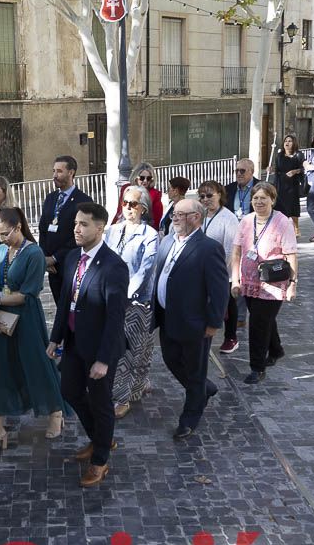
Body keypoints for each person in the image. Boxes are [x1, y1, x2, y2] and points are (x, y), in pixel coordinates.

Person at [46, 203, 128, 488]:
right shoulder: (71, 258)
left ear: (99, 228)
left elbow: (116, 318)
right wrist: (55, 338)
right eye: (75, 224)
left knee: (100, 402)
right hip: (72, 341)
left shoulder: (114, 266)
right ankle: (100, 438)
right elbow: (64, 303)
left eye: (83, 224)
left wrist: (103, 359)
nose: (76, 229)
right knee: (69, 390)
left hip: (100, 347)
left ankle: (100, 459)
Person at [0, 207, 66, 453]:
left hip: (26, 319)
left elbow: (28, 295)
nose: (1, 239)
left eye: (5, 234)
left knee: (38, 365)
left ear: (18, 227)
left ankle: (56, 412)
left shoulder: (34, 253)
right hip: (1, 319)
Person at [150, 198, 229, 439]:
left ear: (196, 217)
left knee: (195, 371)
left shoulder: (209, 248)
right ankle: (204, 389)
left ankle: (190, 417)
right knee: (171, 360)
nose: (174, 217)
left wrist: (214, 323)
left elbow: (219, 290)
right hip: (167, 317)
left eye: (180, 214)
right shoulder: (166, 242)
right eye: (174, 213)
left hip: (194, 322)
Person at [231, 183, 298, 384]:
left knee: (258, 324)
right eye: (256, 198)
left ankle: (257, 368)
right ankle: (276, 349)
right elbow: (236, 251)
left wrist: (293, 283)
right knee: (264, 318)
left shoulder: (282, 222)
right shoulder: (246, 221)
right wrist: (235, 279)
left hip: (273, 282)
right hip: (249, 281)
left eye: (263, 198)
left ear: (272, 200)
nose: (259, 202)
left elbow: (291, 254)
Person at [103, 186, 159, 419]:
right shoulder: (111, 231)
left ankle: (123, 398)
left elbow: (144, 271)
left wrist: (124, 295)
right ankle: (134, 388)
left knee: (131, 351)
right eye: (125, 203)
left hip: (135, 302)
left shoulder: (150, 235)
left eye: (133, 204)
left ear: (143, 208)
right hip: (111, 299)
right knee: (121, 349)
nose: (127, 207)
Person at [38, 156, 92, 300]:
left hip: (71, 265)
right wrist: (45, 258)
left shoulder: (83, 201)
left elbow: (82, 235)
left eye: (59, 171)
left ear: (71, 173)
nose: (54, 175)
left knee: (72, 310)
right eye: (54, 171)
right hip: (52, 270)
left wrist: (55, 258)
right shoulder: (50, 199)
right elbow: (43, 229)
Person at [197, 181, 241, 354]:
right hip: (201, 271)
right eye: (202, 196)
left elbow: (231, 249)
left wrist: (219, 271)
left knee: (227, 305)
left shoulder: (228, 218)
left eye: (209, 195)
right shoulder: (201, 214)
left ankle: (231, 337)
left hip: (222, 271)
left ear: (219, 195)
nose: (205, 199)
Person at [271, 135, 306, 237]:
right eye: (286, 141)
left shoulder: (298, 155)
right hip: (281, 184)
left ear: (294, 143)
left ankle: (296, 228)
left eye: (290, 141)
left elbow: (303, 169)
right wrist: (271, 169)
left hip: (292, 185)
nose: (287, 143)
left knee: (293, 207)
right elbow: (277, 169)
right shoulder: (280, 155)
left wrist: (295, 171)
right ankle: (282, 228)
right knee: (280, 206)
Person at [112, 163, 163, 229]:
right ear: (135, 177)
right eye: (142, 178)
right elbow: (119, 210)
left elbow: (157, 218)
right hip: (124, 223)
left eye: (148, 178)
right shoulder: (126, 188)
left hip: (145, 227)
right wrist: (113, 226)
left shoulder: (155, 194)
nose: (145, 181)